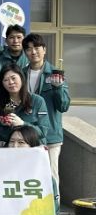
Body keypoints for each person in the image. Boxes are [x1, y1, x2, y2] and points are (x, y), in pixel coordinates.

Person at [22, 33, 71, 185]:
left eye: (37, 48)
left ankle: (54, 202)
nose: (33, 52)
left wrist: (58, 88)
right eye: (29, 49)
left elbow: (63, 106)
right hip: (26, 135)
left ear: (44, 49)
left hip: (50, 135)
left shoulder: (56, 74)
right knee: (27, 175)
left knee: (51, 176)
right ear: (25, 53)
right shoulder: (20, 74)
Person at [0, 64, 51, 147]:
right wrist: (5, 126)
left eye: (13, 78)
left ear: (21, 78)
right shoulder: (1, 103)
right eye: (6, 80)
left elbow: (43, 131)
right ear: (2, 83)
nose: (11, 82)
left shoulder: (37, 101)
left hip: (33, 149)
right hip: (12, 150)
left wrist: (22, 124)